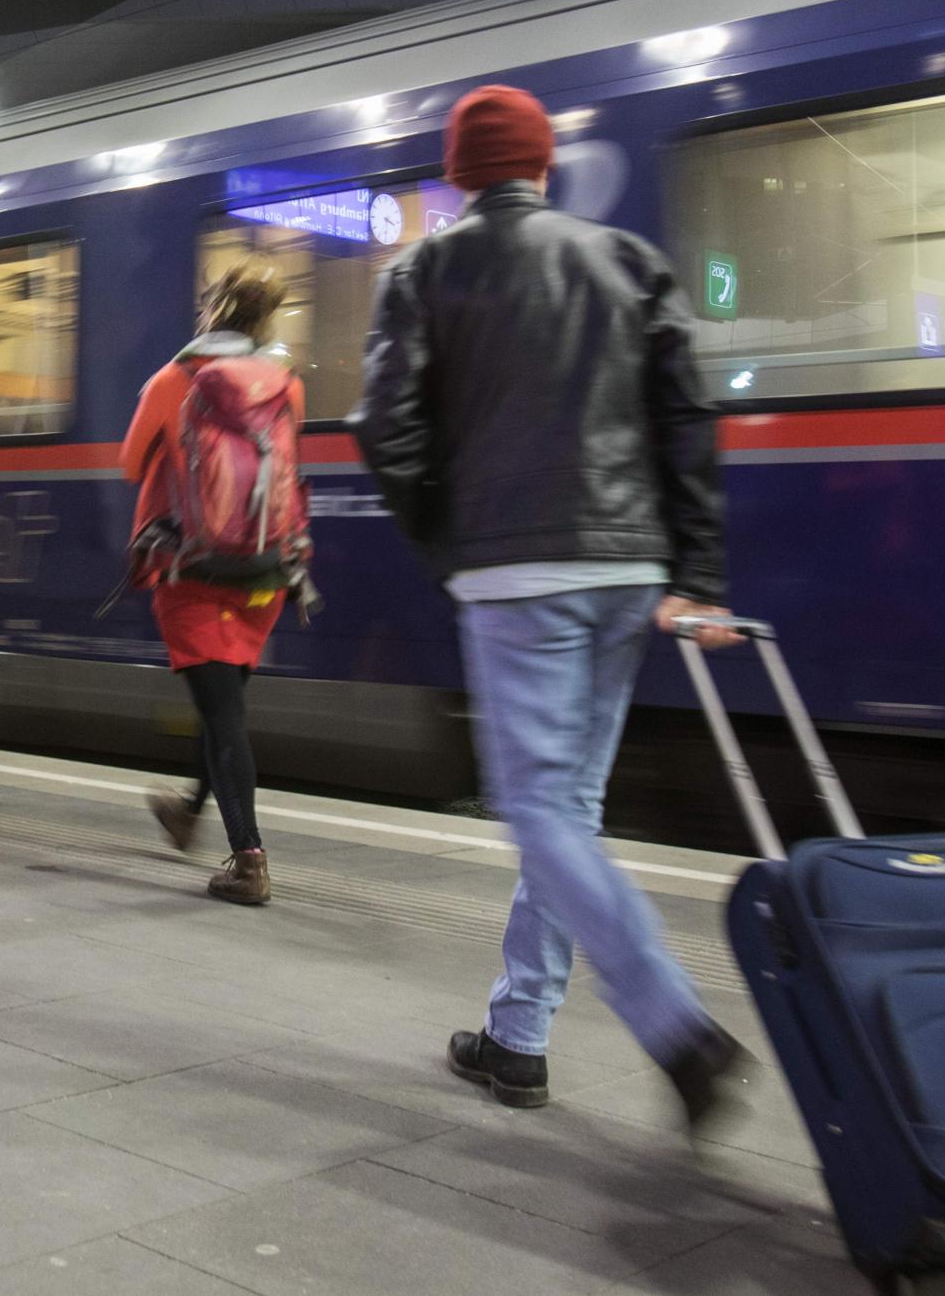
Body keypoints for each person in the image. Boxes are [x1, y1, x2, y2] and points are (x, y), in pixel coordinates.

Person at [350, 84, 750, 1123]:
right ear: (541, 167)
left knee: (535, 810)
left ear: (460, 174)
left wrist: (449, 543)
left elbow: (383, 428)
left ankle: (677, 1026)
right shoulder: (626, 258)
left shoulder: (423, 268)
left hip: (514, 571)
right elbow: (687, 418)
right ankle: (517, 1035)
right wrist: (693, 568)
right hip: (626, 570)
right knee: (564, 812)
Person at [120, 263, 304, 907]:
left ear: (210, 312)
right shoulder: (285, 382)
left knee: (224, 718)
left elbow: (130, 461)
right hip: (264, 574)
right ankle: (189, 811)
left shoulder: (174, 378)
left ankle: (249, 863)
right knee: (222, 708)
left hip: (192, 570)